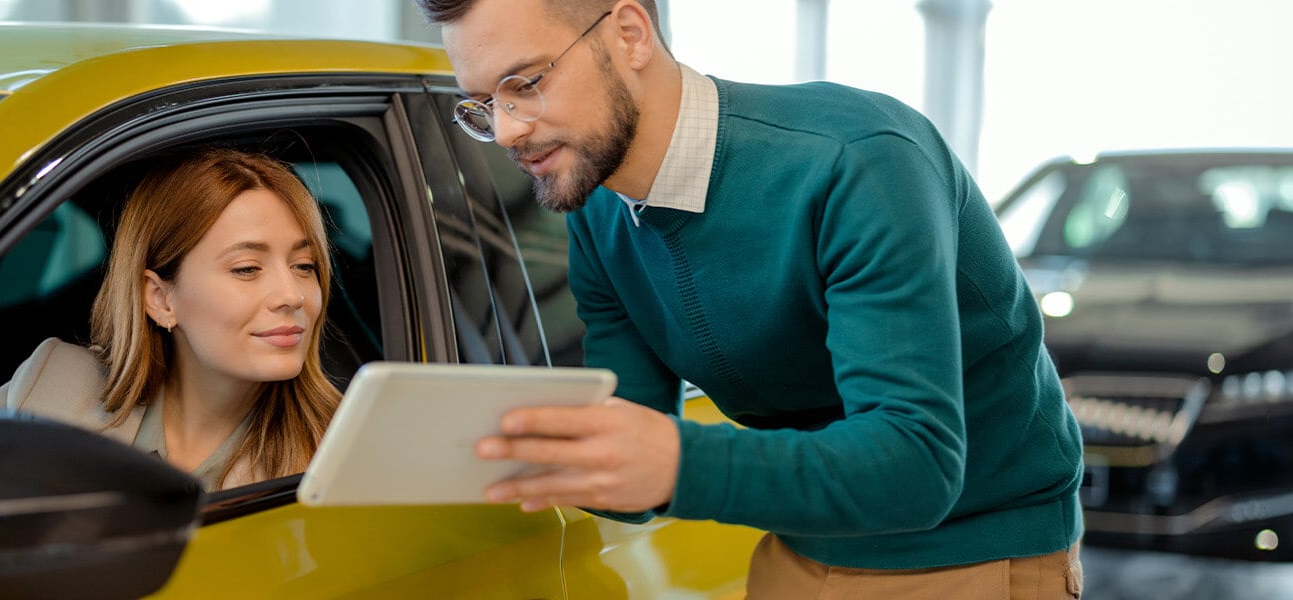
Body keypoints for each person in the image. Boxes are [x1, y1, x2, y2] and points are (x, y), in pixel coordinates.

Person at [417, 0, 1084, 597]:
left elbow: (917, 463)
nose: (505, 131)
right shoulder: (596, 212)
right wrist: (496, 446)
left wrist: (674, 461)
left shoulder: (856, 160)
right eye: (482, 104)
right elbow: (630, 455)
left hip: (975, 550)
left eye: (525, 84)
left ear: (629, 34)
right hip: (799, 545)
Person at [0, 149, 342, 492]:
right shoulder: (47, 394)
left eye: (304, 266)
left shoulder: (343, 452)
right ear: (159, 298)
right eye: (247, 269)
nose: (292, 295)